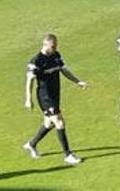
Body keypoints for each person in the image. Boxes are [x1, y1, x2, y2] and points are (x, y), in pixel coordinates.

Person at [23, 34, 86, 165]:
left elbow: (64, 70)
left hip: (55, 94)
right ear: (45, 45)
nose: (55, 48)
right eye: (53, 46)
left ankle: (31, 144)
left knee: (49, 124)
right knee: (59, 122)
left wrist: (77, 81)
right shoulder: (36, 61)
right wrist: (28, 99)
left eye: (56, 46)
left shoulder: (56, 55)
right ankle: (68, 155)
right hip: (45, 96)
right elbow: (30, 80)